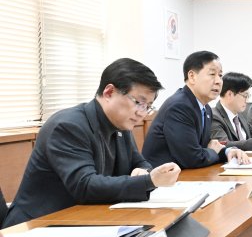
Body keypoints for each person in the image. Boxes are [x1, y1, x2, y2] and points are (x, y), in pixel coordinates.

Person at [3, 58, 181, 227]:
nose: (142, 113)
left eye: (148, 106)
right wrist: (148, 181)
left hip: (83, 219)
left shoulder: (121, 124)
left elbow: (140, 163)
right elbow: (85, 185)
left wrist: (145, 172)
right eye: (139, 102)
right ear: (109, 92)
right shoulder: (68, 126)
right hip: (36, 226)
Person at [143, 51, 250, 169]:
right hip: (164, 177)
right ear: (192, 76)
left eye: (220, 75)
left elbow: (207, 147)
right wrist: (213, 151)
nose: (219, 81)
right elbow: (192, 158)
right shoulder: (179, 106)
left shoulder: (206, 109)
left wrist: (228, 151)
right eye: (212, 74)